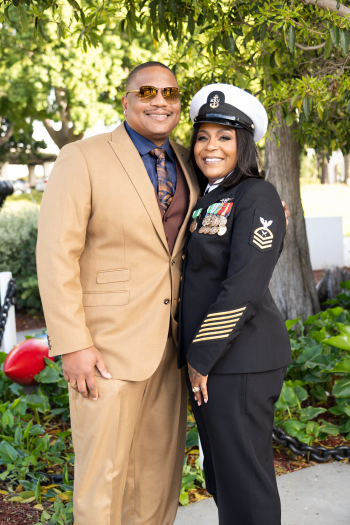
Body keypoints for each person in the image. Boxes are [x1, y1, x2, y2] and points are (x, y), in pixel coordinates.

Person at [37, 62, 290, 525]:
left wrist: (266, 208)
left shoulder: (208, 174)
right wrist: (72, 342)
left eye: (170, 93)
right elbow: (55, 254)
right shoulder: (84, 157)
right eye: (147, 91)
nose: (160, 100)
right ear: (126, 99)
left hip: (190, 354)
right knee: (105, 479)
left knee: (165, 481)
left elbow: (237, 260)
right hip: (110, 349)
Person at [177, 84, 293, 525]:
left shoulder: (255, 195)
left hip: (237, 359)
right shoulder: (208, 197)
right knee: (223, 476)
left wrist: (201, 357)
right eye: (203, 136)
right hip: (215, 361)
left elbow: (243, 285)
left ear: (243, 144)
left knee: (245, 482)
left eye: (224, 137)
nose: (211, 146)